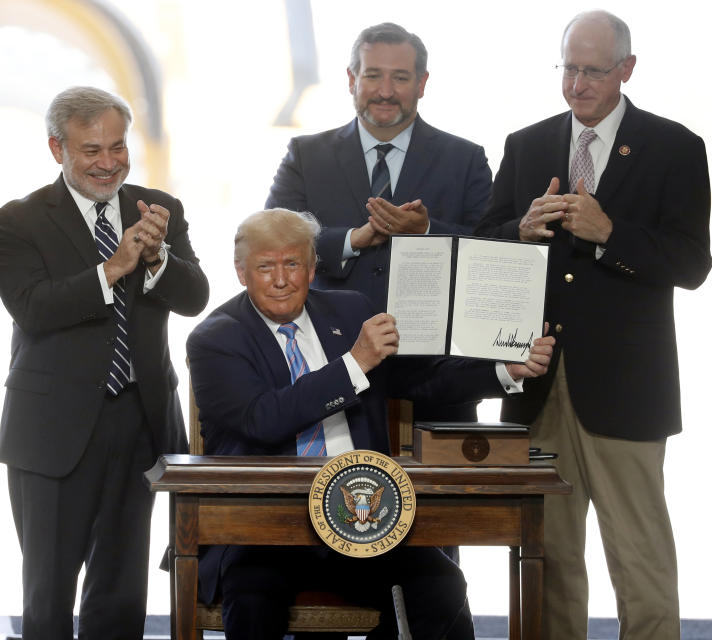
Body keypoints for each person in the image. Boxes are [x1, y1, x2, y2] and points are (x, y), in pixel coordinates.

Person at [187, 208, 554, 640]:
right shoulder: (215, 337)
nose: (281, 279)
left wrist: (504, 370)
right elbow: (263, 420)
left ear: (312, 267)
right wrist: (354, 363)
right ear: (241, 272)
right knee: (252, 597)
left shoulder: (350, 311)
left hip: (361, 516)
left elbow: (420, 379)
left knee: (442, 584)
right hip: (264, 527)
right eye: (266, 267)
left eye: (293, 264)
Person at [474, 11, 710, 639]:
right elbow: (483, 246)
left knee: (640, 559)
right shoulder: (526, 144)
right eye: (568, 68)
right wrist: (518, 230)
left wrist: (610, 234)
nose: (577, 85)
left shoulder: (676, 148)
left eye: (592, 71)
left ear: (627, 70)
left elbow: (691, 264)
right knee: (548, 558)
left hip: (628, 393)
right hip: (537, 386)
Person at [0, 86, 209, 639]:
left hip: (138, 422)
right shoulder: (18, 220)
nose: (108, 162)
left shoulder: (160, 209)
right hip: (52, 431)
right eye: (92, 151)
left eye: (117, 146)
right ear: (56, 148)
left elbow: (195, 297)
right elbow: (33, 309)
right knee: (48, 590)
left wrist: (158, 257)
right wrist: (113, 268)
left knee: (121, 589)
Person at [266, 22, 492, 422]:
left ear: (422, 83)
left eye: (400, 78)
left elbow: (490, 256)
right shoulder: (306, 155)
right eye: (372, 75)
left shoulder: (466, 159)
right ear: (352, 79)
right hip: (329, 368)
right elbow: (273, 243)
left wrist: (425, 232)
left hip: (439, 381)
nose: (385, 91)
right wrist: (355, 238)